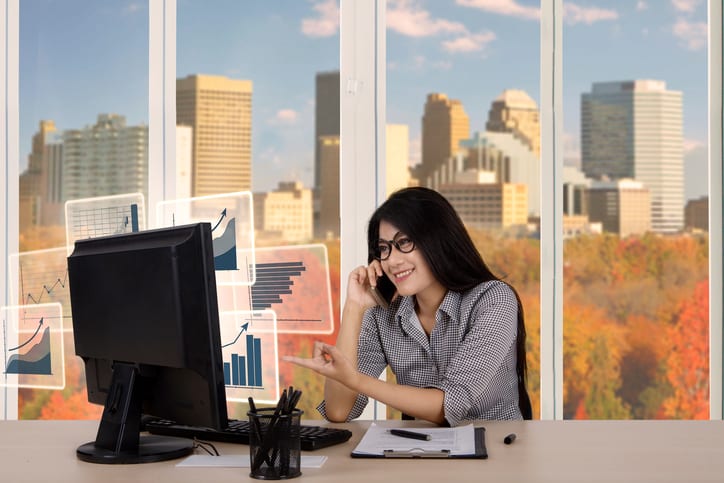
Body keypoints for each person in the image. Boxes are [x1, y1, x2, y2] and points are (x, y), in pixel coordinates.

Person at [285, 187, 532, 426]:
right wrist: (354, 307)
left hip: (499, 450)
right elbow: (339, 411)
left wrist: (356, 380)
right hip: (422, 451)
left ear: (438, 241)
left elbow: (449, 406)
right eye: (384, 248)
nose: (392, 260)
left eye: (404, 242)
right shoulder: (382, 315)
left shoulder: (492, 300)